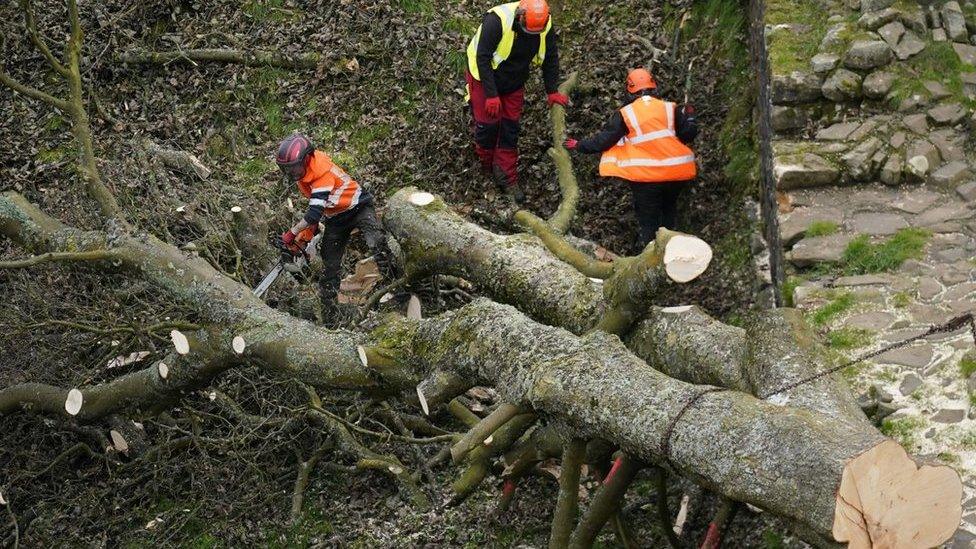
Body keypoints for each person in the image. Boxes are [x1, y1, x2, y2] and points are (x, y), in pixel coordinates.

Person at [565, 68, 698, 247]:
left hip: (647, 178)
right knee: (669, 212)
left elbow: (604, 140)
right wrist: (689, 118)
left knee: (648, 221)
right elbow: (688, 135)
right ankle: (673, 251)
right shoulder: (670, 108)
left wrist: (579, 145)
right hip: (676, 175)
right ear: (654, 87)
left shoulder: (626, 114)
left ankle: (650, 256)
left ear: (629, 90)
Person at [275, 133, 398, 325]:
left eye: (294, 168)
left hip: (358, 207)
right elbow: (316, 212)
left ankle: (398, 288)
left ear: (306, 158)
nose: (292, 173)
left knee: (376, 242)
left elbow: (314, 215)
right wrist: (304, 238)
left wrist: (292, 234)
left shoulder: (321, 172)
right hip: (335, 217)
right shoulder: (304, 179)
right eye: (288, 170)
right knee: (329, 264)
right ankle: (330, 315)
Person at [465, 0, 567, 204]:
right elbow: (482, 57)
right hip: (485, 77)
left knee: (510, 128)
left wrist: (552, 90)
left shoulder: (544, 23)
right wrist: (491, 94)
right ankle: (484, 168)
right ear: (520, 16)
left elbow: (550, 57)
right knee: (488, 126)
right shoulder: (497, 20)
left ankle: (506, 175)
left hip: (514, 80)